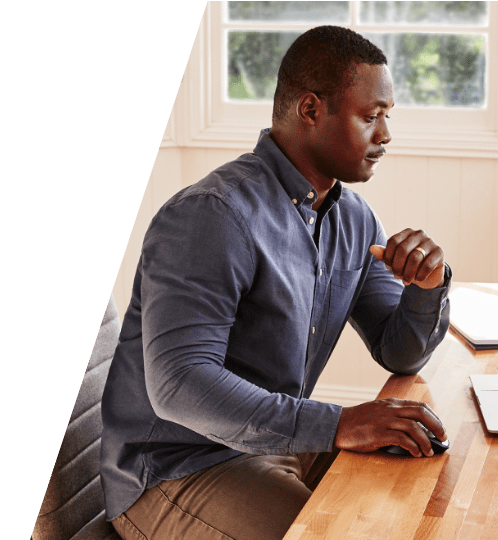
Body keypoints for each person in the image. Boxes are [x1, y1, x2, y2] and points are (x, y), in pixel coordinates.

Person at [101, 25, 451, 540]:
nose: (385, 135)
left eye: (387, 117)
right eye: (370, 116)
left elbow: (400, 352)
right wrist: (338, 425)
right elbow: (180, 387)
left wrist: (427, 285)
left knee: (418, 495)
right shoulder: (211, 216)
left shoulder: (352, 219)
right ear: (310, 110)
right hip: (177, 471)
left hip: (269, 446)